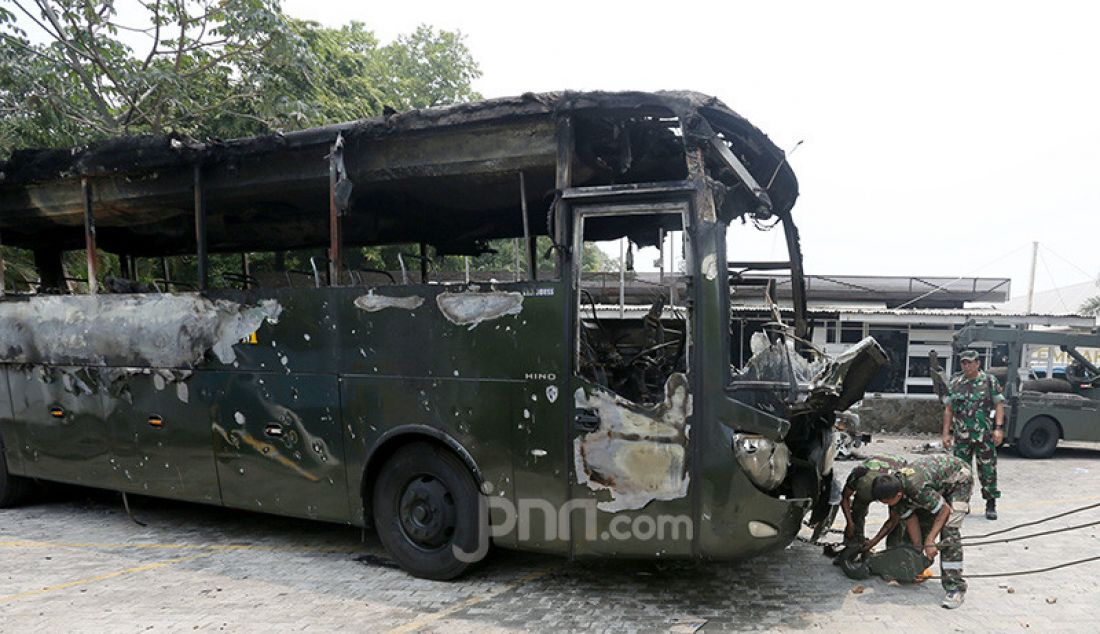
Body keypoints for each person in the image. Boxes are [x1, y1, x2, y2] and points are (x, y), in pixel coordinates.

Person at [867, 455, 973, 609]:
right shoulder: (896, 490)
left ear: (897, 495)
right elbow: (911, 520)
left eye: (887, 502)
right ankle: (918, 570)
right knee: (924, 522)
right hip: (935, 487)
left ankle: (955, 587)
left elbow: (944, 510)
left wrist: (930, 541)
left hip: (959, 481)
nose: (886, 505)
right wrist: (918, 552)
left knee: (949, 530)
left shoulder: (916, 489)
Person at [943, 349, 1004, 520]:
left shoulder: (989, 381)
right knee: (961, 471)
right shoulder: (955, 383)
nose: (966, 365)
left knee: (987, 470)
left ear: (978, 363)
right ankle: (962, 503)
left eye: (970, 362)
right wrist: (945, 433)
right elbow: (948, 410)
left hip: (984, 436)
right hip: (962, 436)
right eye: (963, 362)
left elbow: (999, 405)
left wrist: (998, 428)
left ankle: (990, 503)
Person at [839, 455, 910, 546]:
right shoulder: (859, 477)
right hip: (868, 478)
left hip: (897, 466)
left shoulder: (895, 484)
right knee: (857, 511)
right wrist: (850, 523)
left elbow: (893, 519)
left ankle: (895, 547)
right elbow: (845, 497)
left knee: (899, 520)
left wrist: (874, 542)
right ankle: (854, 543)